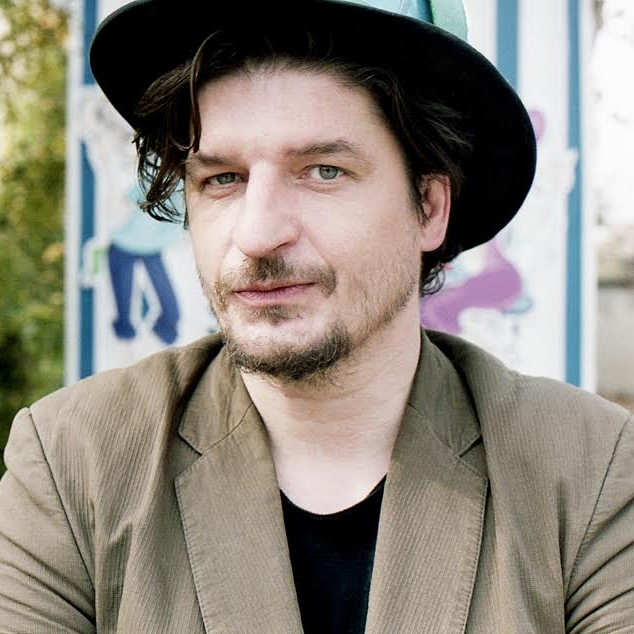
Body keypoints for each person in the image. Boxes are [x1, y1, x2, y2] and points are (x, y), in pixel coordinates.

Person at [1, 0, 632, 631]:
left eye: (323, 172)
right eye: (222, 179)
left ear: (429, 207)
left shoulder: (589, 471)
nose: (256, 234)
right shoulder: (75, 464)